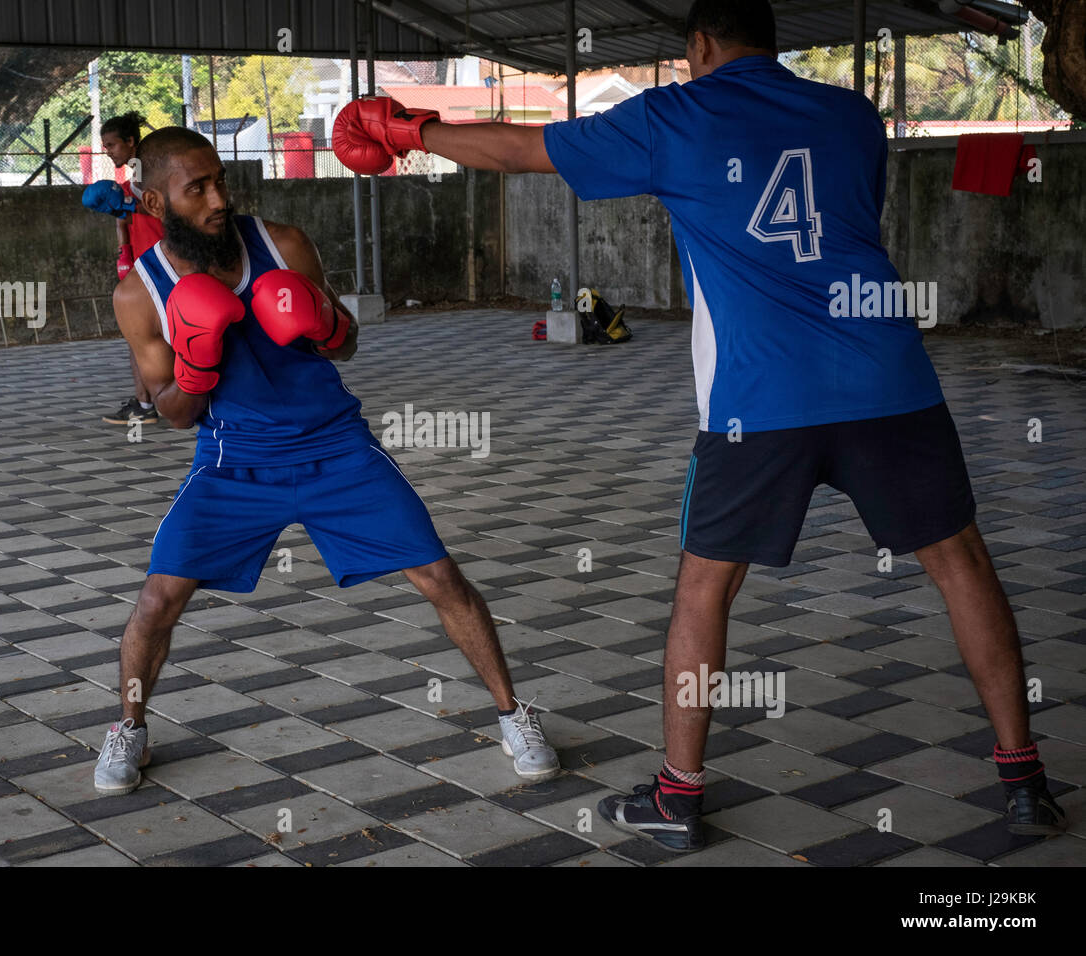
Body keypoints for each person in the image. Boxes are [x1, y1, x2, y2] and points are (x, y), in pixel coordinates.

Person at [333, 0, 1067, 851]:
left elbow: (522, 150)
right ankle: (1025, 783)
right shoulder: (852, 114)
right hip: (888, 379)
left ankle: (678, 799)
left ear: (700, 46)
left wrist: (410, 129)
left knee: (704, 588)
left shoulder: (676, 116)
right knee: (961, 562)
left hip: (761, 401)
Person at [93, 126, 559, 795]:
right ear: (157, 202)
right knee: (157, 599)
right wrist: (195, 366)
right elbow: (171, 412)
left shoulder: (280, 243)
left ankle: (516, 715)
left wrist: (323, 320)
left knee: (440, 576)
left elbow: (344, 344)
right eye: (198, 188)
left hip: (335, 447)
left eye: (220, 179)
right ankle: (128, 728)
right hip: (234, 460)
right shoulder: (140, 293)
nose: (219, 197)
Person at [85, 111, 165, 426]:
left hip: (164, 261)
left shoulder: (152, 170)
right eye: (104, 146)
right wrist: (124, 254)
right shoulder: (132, 176)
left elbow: (169, 208)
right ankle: (146, 404)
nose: (107, 151)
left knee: (146, 335)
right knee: (138, 335)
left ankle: (155, 403)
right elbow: (123, 217)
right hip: (143, 264)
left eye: (112, 145)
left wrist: (132, 205)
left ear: (130, 142)